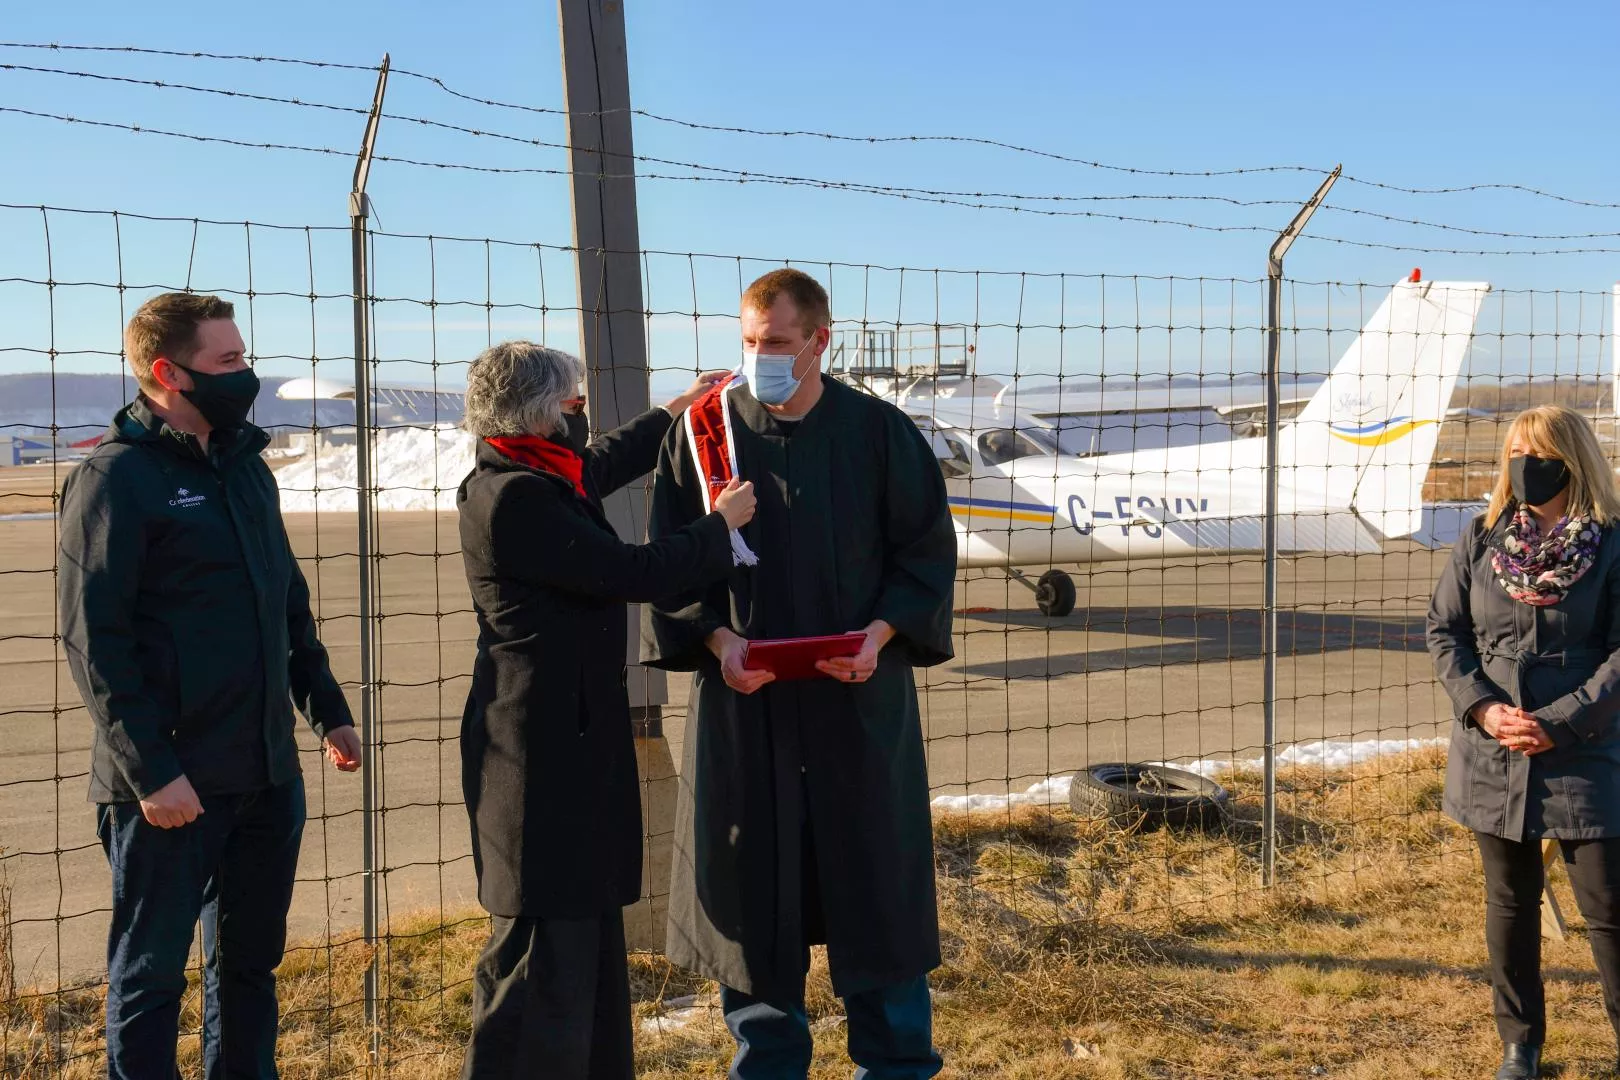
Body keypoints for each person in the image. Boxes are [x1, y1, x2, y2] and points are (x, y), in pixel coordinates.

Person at [642, 269, 958, 1079]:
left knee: (876, 903)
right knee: (756, 915)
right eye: (749, 343)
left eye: (777, 344)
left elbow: (923, 556)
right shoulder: (703, 438)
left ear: (821, 340)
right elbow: (674, 569)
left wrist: (880, 638)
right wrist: (720, 645)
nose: (760, 359)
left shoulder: (880, 434)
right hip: (748, 712)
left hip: (859, 709)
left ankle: (894, 1062)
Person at [57, 292, 360, 1080]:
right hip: (169, 789)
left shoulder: (246, 467)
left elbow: (284, 600)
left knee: (249, 970)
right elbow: (96, 643)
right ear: (168, 373)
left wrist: (326, 710)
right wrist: (152, 772)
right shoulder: (115, 481)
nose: (246, 374)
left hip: (264, 775)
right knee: (151, 978)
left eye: (242, 356)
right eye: (228, 362)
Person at [455, 341, 754, 1080]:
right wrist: (720, 527)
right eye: (572, 401)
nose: (581, 412)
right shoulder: (515, 498)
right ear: (538, 411)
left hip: (570, 743)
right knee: (541, 950)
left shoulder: (533, 473)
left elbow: (601, 464)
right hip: (535, 758)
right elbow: (631, 571)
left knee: (584, 937)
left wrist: (673, 415)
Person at [1428, 404, 1620, 1080]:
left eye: (1536, 453)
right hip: (1495, 751)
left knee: (1608, 907)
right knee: (1509, 902)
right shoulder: (1481, 539)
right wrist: (1481, 708)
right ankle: (1521, 1044)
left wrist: (1563, 720)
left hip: (1586, 750)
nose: (1522, 466)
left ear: (1571, 461)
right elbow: (1444, 631)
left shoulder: (1613, 542)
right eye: (1514, 451)